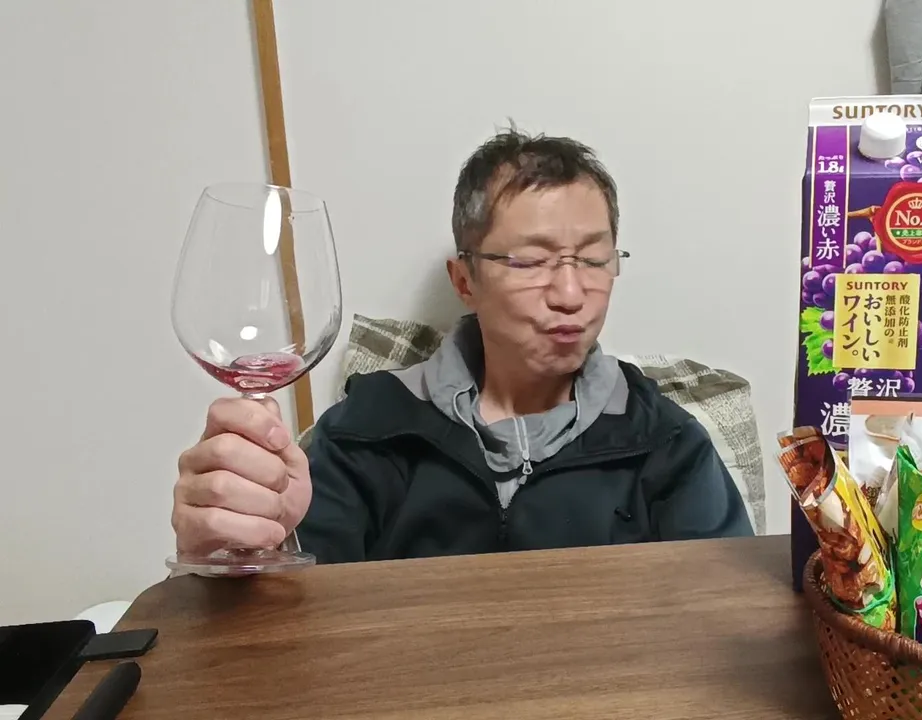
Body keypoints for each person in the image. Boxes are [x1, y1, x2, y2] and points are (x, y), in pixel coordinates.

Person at [172, 130, 754, 564]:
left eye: (594, 259)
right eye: (531, 260)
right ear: (464, 280)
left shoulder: (665, 441)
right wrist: (235, 555)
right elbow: (284, 634)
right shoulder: (366, 433)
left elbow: (725, 620)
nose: (571, 294)